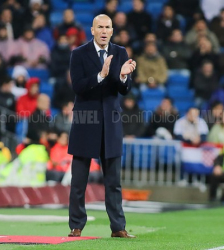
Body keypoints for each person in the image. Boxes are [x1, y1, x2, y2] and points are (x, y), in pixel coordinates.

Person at [67, 14, 136, 238]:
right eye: (100, 27)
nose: (104, 30)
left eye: (108, 27)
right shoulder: (78, 54)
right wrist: (101, 75)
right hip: (86, 122)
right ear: (92, 30)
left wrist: (123, 77)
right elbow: (78, 86)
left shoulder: (121, 53)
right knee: (79, 182)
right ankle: (76, 226)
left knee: (113, 181)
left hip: (111, 123)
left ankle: (118, 227)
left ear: (112, 30)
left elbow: (123, 90)